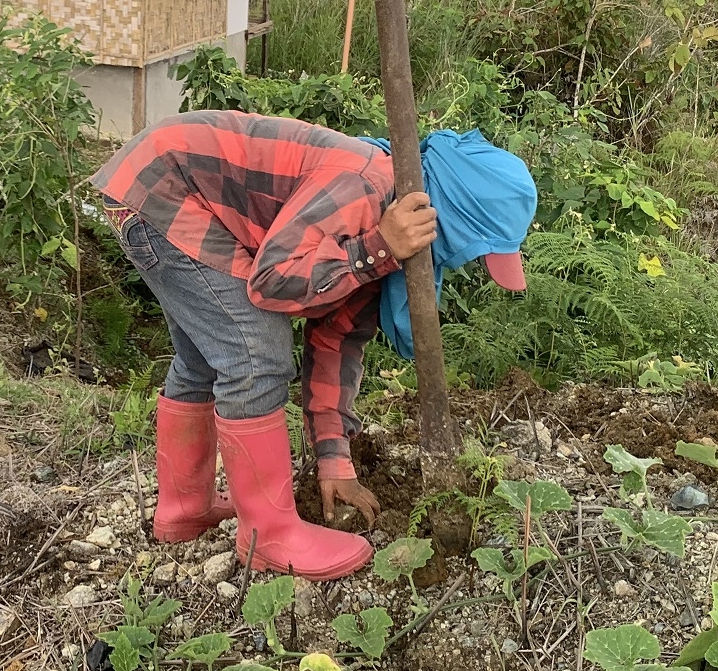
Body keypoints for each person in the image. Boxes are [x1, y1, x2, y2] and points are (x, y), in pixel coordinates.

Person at [95, 110, 537, 580]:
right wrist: (374, 249)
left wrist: (334, 458)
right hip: (166, 182)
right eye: (472, 250)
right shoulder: (365, 188)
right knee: (255, 356)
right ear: (447, 218)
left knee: (204, 357)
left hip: (164, 183)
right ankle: (268, 536)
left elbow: (337, 341)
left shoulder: (390, 234)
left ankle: (184, 510)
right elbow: (273, 279)